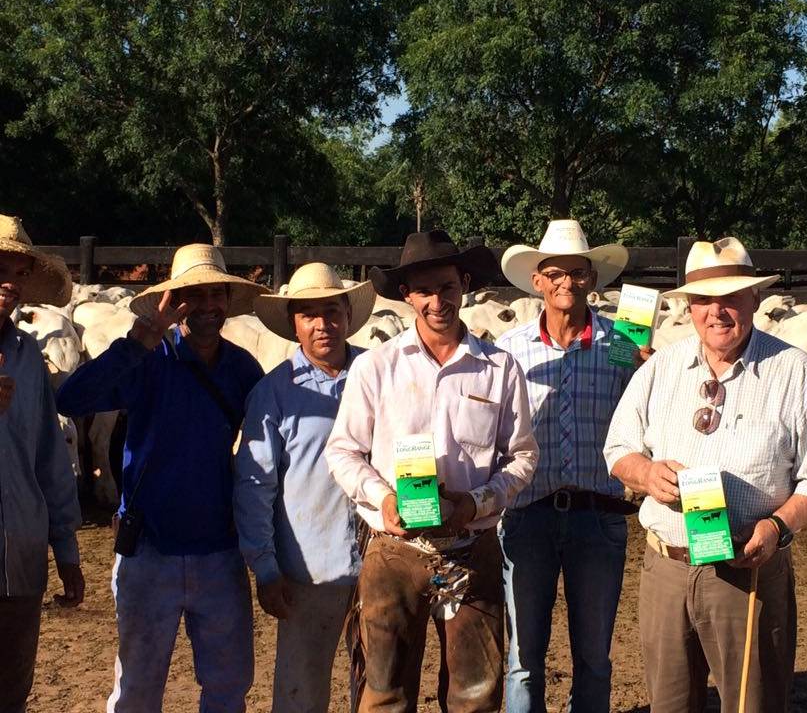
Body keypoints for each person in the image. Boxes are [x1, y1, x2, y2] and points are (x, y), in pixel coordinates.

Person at [603, 236, 807, 713]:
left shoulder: (793, 371)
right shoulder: (660, 367)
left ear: (753, 298)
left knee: (752, 703)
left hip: (747, 569)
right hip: (665, 567)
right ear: (688, 307)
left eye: (731, 298)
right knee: (669, 704)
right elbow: (618, 447)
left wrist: (776, 527)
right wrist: (645, 474)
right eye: (705, 300)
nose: (718, 311)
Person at [324, 229, 539, 713]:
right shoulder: (376, 367)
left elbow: (523, 456)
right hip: (394, 550)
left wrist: (476, 503)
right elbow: (343, 451)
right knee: (383, 690)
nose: (437, 301)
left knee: (476, 695)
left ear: (464, 284)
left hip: (471, 547)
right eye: (424, 290)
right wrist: (382, 498)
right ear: (407, 295)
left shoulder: (500, 368)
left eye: (446, 287)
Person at [57, 243, 267, 713]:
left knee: (228, 688)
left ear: (229, 301)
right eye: (195, 296)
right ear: (174, 301)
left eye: (217, 295)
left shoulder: (243, 370)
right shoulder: (146, 360)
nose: (209, 307)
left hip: (220, 550)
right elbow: (70, 399)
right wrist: (139, 339)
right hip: (148, 550)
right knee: (137, 688)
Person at [496, 219, 640, 712]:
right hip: (527, 512)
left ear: (591, 279)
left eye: (577, 272)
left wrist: (649, 366)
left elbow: (646, 411)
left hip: (598, 514)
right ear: (537, 281)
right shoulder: (509, 350)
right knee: (523, 657)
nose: (567, 282)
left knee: (594, 655)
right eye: (555, 273)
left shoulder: (623, 346)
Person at [234, 263, 376, 713]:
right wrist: (266, 567)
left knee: (379, 687)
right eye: (309, 314)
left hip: (381, 563)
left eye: (331, 312)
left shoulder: (379, 375)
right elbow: (255, 484)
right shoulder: (273, 393)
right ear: (294, 323)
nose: (322, 325)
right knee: (301, 689)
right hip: (308, 568)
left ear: (347, 315)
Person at [0, 214, 84, 713]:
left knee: (12, 692)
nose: (9, 281)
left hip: (21, 559)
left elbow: (50, 458)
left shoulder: (29, 355)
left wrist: (67, 549)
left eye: (17, 271)